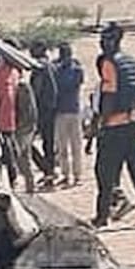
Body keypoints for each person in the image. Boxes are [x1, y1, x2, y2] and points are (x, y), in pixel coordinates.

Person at [91, 23, 135, 229]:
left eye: (105, 39)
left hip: (114, 126)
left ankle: (102, 217)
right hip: (133, 125)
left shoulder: (109, 63)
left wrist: (102, 122)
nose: (102, 43)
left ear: (114, 40)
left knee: (105, 173)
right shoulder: (132, 62)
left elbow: (110, 95)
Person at [0, 54, 36, 194]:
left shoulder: (10, 78)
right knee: (25, 157)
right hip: (22, 123)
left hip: (18, 124)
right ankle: (30, 189)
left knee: (17, 156)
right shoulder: (16, 77)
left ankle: (21, 186)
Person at [52, 42, 84, 186]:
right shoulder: (73, 69)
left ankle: (75, 175)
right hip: (67, 110)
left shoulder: (73, 70)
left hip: (69, 110)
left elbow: (64, 86)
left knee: (73, 145)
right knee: (65, 146)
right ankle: (69, 174)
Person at [29, 44, 57, 188]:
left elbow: (36, 91)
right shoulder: (52, 66)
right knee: (48, 144)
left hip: (42, 110)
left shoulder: (40, 68)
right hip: (52, 110)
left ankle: (47, 169)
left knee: (27, 143)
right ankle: (49, 172)